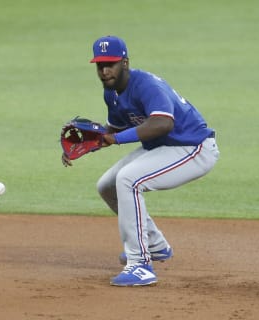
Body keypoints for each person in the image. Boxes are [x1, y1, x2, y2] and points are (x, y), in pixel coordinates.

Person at [62, 35, 220, 286]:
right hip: (164, 147)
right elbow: (114, 129)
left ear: (125, 63)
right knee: (107, 185)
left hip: (194, 147)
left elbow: (162, 123)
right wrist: (90, 143)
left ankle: (140, 264)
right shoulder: (111, 92)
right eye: (100, 65)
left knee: (128, 180)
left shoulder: (147, 85)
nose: (104, 71)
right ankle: (155, 245)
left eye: (110, 64)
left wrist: (115, 139)